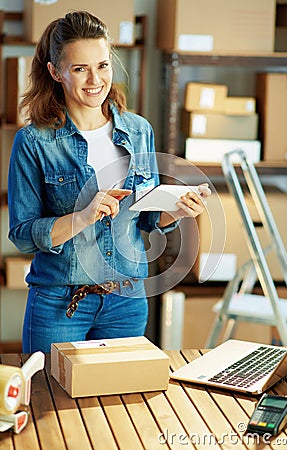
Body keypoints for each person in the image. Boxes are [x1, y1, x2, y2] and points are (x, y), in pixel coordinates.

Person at [8, 10, 211, 353]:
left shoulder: (138, 130)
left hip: (127, 301)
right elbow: (23, 235)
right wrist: (83, 216)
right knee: (51, 403)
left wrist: (176, 209)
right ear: (55, 72)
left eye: (102, 65)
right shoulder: (33, 142)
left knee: (121, 403)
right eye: (79, 68)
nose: (94, 80)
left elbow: (146, 219)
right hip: (59, 302)